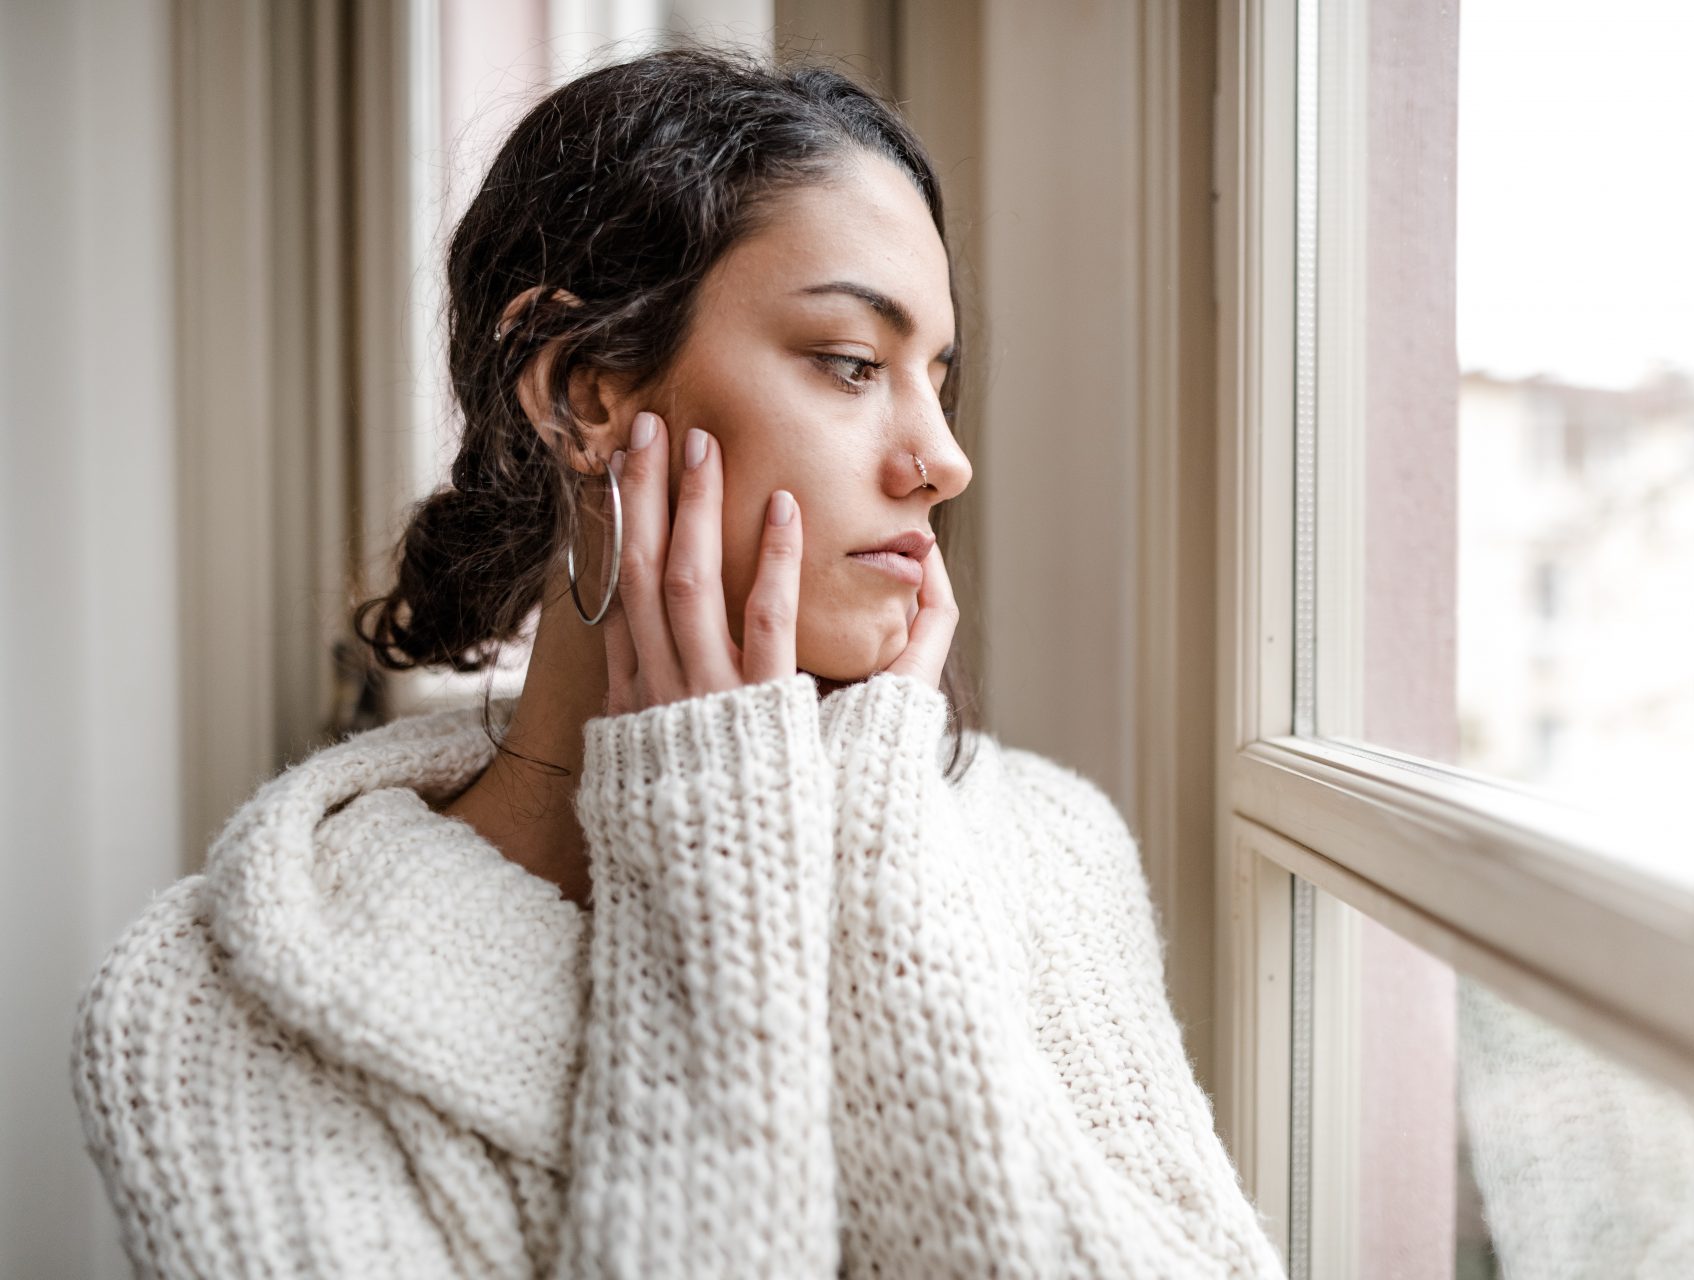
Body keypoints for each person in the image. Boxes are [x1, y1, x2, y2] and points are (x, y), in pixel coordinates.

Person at [68, 44, 1288, 1279]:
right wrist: (710, 860)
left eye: (940, 378)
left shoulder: (1049, 845)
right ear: (584, 394)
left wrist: (872, 832)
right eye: (854, 364)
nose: (942, 457)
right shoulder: (214, 1008)